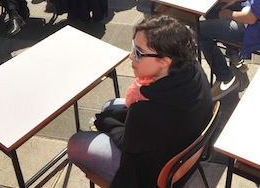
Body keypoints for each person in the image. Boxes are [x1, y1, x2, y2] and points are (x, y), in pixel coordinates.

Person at [67, 15, 212, 185]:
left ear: (164, 62)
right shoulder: (194, 68)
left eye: (138, 53)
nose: (131, 56)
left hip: (151, 177)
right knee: (109, 105)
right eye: (132, 47)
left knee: (75, 144)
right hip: (179, 149)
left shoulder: (145, 112)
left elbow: (126, 143)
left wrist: (106, 122)